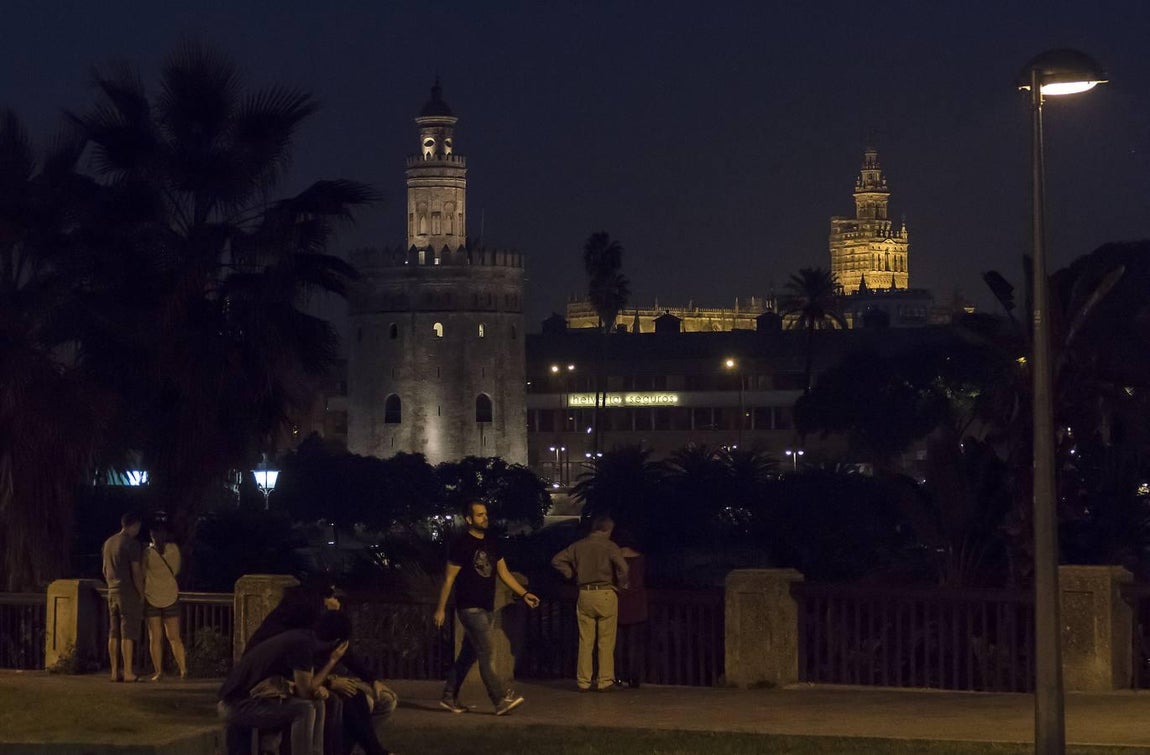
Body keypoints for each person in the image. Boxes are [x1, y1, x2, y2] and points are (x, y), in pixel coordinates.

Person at [433, 501, 540, 715]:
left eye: (485, 514)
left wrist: (524, 593)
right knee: (487, 652)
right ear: (469, 519)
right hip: (469, 607)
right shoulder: (461, 544)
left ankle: (448, 696)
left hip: (486, 606)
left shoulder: (492, 542)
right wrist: (441, 609)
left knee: (468, 655)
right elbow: (449, 579)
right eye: (480, 515)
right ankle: (499, 700)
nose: (485, 518)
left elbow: (504, 572)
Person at [217, 610, 351, 755]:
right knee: (304, 709)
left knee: (318, 704)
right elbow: (305, 692)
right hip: (235, 705)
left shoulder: (304, 638)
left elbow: (307, 686)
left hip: (255, 699)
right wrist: (332, 660)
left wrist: (319, 688)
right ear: (336, 642)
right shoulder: (302, 645)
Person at [550, 514, 629, 692]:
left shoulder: (578, 546)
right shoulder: (610, 546)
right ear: (607, 529)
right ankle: (605, 680)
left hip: (585, 593)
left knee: (585, 640)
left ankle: (583, 681)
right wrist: (621, 585)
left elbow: (557, 560)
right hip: (606, 593)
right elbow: (624, 567)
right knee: (606, 640)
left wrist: (570, 573)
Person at [102, 511, 145, 682]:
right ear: (134, 525)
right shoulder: (132, 544)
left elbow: (104, 569)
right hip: (127, 592)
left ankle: (114, 671)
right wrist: (141, 593)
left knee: (113, 632)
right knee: (128, 632)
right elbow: (136, 572)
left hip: (112, 590)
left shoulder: (108, 542)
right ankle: (128, 671)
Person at [143, 519, 187, 681]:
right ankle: (183, 669)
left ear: (152, 535)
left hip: (152, 596)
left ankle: (158, 672)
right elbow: (177, 570)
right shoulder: (174, 550)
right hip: (171, 595)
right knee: (175, 637)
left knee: (155, 638)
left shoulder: (147, 553)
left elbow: (142, 573)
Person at [612, 529, 648, 689]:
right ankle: (634, 677)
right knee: (634, 643)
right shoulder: (640, 558)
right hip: (637, 603)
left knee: (617, 643)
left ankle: (618, 675)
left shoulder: (614, 558)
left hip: (618, 601)